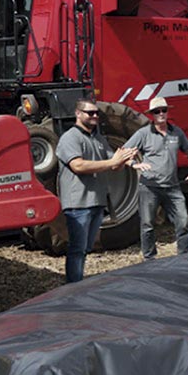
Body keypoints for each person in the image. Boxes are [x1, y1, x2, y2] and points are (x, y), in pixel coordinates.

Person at [56, 98, 137, 283]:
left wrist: (129, 160)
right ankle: (73, 286)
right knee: (77, 248)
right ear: (78, 114)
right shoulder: (70, 138)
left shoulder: (98, 138)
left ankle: (78, 282)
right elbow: (78, 166)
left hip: (96, 202)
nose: (94, 116)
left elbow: (114, 162)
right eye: (90, 113)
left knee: (85, 248)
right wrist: (112, 162)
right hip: (78, 204)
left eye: (96, 113)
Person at [124, 96, 188, 260]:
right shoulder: (143, 133)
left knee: (183, 222)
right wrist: (133, 164)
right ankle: (149, 259)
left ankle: (185, 257)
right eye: (157, 111)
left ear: (167, 112)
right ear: (151, 114)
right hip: (149, 187)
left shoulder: (176, 132)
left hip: (172, 186)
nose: (161, 114)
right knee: (147, 225)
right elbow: (123, 151)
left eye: (163, 110)